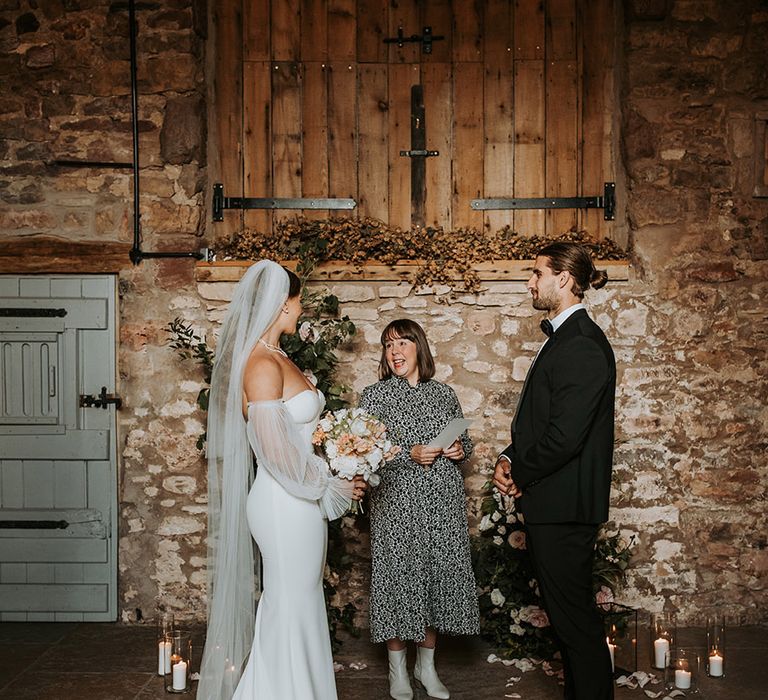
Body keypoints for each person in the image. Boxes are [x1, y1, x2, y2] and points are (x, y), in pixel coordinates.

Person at [197, 260, 366, 700]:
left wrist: (340, 461)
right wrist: (331, 486)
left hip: (297, 499)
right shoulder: (260, 365)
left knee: (301, 602)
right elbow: (275, 453)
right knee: (288, 604)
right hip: (283, 500)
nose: (302, 306)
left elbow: (296, 440)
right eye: (297, 299)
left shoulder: (277, 356)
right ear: (281, 304)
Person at [493, 242, 616, 700]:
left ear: (563, 279)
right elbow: (544, 420)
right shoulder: (564, 338)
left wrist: (518, 469)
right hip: (553, 500)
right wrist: (510, 456)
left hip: (564, 506)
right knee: (569, 623)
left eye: (536, 273)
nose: (530, 282)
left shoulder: (581, 343)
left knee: (576, 624)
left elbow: (565, 438)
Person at [359, 319, 479, 700]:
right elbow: (365, 453)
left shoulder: (444, 394)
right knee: (397, 581)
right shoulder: (373, 397)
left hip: (442, 502)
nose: (395, 352)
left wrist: (460, 451)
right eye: (388, 345)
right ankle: (398, 672)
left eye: (403, 343)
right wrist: (406, 453)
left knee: (432, 581)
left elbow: (465, 442)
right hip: (396, 504)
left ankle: (426, 668)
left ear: (418, 348)